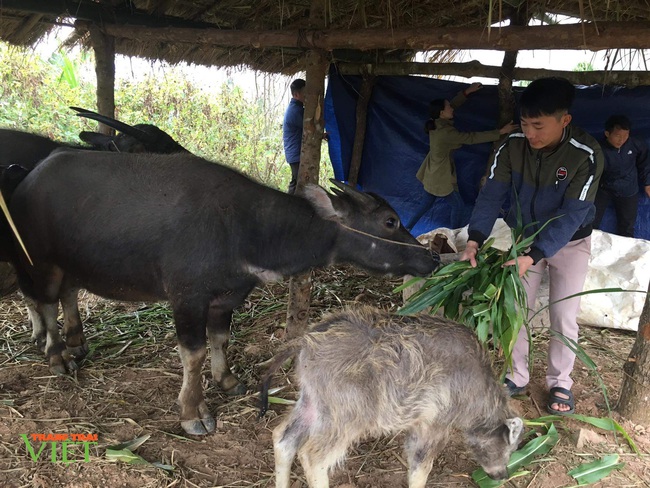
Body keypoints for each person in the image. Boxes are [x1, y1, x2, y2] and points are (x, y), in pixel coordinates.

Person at [460, 77, 604, 415]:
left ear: (564, 120)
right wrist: (475, 238)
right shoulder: (511, 144)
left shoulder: (587, 154)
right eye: (525, 124)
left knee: (564, 314)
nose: (530, 134)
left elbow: (572, 214)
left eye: (538, 126)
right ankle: (516, 375)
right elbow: (492, 193)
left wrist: (536, 254)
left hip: (571, 240)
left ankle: (560, 382)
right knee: (515, 308)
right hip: (524, 236)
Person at [404, 82, 517, 231]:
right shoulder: (446, 133)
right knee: (457, 205)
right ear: (442, 113)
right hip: (440, 176)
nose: (451, 108)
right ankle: (454, 234)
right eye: (448, 107)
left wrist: (466, 93)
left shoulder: (436, 122)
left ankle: (406, 228)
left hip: (432, 170)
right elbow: (471, 137)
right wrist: (500, 132)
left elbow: (453, 105)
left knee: (425, 204)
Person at [593, 114, 650, 238]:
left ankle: (626, 255)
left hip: (628, 189)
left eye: (626, 135)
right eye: (618, 136)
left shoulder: (635, 144)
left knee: (627, 227)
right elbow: (590, 172)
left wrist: (647, 182)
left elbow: (645, 162)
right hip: (604, 188)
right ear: (607, 134)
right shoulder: (598, 149)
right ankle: (587, 252)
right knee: (590, 222)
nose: (622, 140)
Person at [283, 78, 306, 194]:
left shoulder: (297, 108)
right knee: (296, 182)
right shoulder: (295, 111)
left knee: (297, 180)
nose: (307, 96)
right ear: (296, 94)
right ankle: (288, 206)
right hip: (295, 153)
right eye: (305, 93)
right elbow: (308, 128)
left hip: (295, 152)